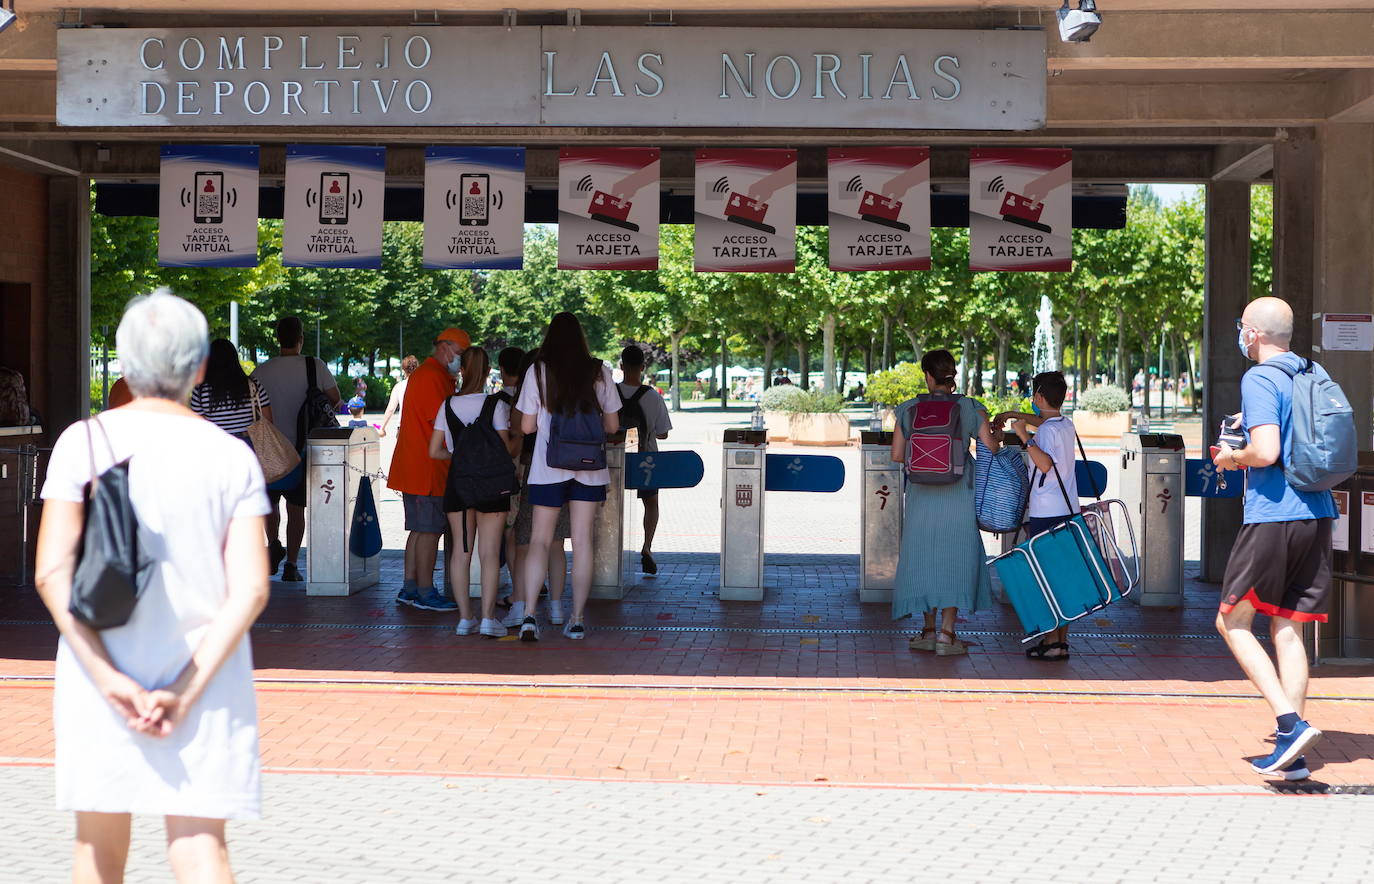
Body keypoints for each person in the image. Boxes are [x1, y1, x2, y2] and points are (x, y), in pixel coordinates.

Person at [34, 290, 270, 881]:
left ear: (123, 364)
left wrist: (111, 681)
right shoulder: (230, 456)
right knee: (200, 848)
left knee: (97, 847)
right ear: (197, 368)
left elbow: (50, 572)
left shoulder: (80, 443)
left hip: (99, 670)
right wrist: (185, 691)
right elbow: (251, 589)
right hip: (205, 675)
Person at [1214, 296, 1337, 780]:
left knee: (1233, 622)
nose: (1239, 334)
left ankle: (1289, 723)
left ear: (1256, 333)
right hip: (1317, 512)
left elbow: (1265, 452)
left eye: (1242, 327)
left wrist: (1230, 459)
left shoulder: (1259, 378)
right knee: (1288, 625)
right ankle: (1295, 755)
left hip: (1274, 516)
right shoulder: (1312, 371)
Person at [513, 313, 620, 641]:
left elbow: (527, 427)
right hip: (589, 468)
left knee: (540, 540)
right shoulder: (599, 370)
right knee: (582, 541)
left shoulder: (538, 371)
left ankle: (530, 615)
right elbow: (613, 427)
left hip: (548, 466)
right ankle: (575, 619)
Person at [890, 349, 999, 656]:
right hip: (958, 495)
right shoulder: (969, 407)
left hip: (922, 498)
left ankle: (926, 630)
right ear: (952, 375)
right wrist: (995, 431)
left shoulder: (907, 409)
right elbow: (989, 446)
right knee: (955, 560)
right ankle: (947, 635)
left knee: (924, 559)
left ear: (927, 375)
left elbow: (897, 455)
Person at [428, 346, 514, 638]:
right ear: (488, 371)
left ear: (461, 370)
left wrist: (461, 454)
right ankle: (489, 618)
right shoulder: (496, 405)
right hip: (492, 486)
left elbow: (434, 451)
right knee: (490, 554)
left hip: (458, 485)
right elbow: (504, 448)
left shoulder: (448, 405)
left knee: (461, 554)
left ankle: (465, 618)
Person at [995, 371, 1079, 661]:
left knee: (1047, 578)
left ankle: (1053, 643)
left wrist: (1022, 436)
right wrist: (1015, 414)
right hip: (1068, 509)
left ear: (1040, 397)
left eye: (1034, 395)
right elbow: (1046, 425)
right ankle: (1058, 641)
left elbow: (1044, 464)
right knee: (1063, 577)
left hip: (1047, 512)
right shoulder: (1065, 425)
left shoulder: (1045, 432)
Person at [251, 316, 340, 582]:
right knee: (297, 508)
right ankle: (291, 563)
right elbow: (335, 400)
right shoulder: (315, 366)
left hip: (268, 450)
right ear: (301, 339)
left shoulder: (261, 371)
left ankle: (273, 545)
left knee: (270, 505)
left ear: (278, 339)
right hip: (303, 448)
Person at [387, 328, 468, 611]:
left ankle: (410, 588)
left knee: (419, 531)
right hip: (428, 469)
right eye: (460, 353)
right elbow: (443, 423)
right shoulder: (433, 377)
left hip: (415, 467)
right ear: (445, 347)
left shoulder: (428, 375)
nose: (461, 359)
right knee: (430, 531)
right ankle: (424, 591)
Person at [504, 348, 573, 631]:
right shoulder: (564, 395)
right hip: (565, 469)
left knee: (524, 544)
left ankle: (521, 606)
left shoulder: (523, 399)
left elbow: (518, 435)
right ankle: (557, 608)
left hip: (531, 472)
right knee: (557, 545)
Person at [618, 345, 673, 575]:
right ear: (643, 367)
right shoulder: (652, 396)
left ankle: (610, 547)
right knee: (651, 504)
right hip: (646, 457)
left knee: (610, 505)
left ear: (621, 366)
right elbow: (663, 432)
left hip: (614, 456)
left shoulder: (609, 393)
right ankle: (647, 547)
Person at [190, 338, 273, 440]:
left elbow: (199, 426)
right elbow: (268, 420)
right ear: (234, 358)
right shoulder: (252, 385)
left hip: (217, 443)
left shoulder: (200, 390)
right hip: (249, 444)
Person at [378, 355, 419, 438]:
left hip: (404, 426)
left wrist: (382, 428)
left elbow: (390, 409)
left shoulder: (399, 386)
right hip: (420, 426)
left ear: (403, 370)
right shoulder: (424, 385)